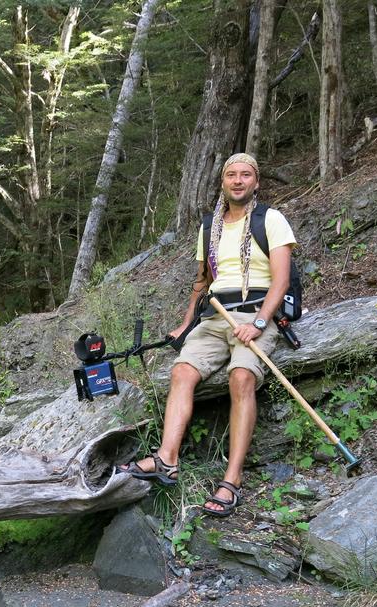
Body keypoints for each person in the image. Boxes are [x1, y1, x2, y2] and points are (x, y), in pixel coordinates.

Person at [118, 152, 296, 515]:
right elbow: (203, 282)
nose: (238, 180)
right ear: (223, 182)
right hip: (215, 318)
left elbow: (282, 280)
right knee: (181, 372)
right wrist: (186, 324)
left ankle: (232, 479)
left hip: (256, 314)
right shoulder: (209, 227)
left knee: (241, 377)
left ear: (256, 182)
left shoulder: (270, 220)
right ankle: (167, 458)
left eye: (246, 175)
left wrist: (259, 323)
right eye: (231, 175)